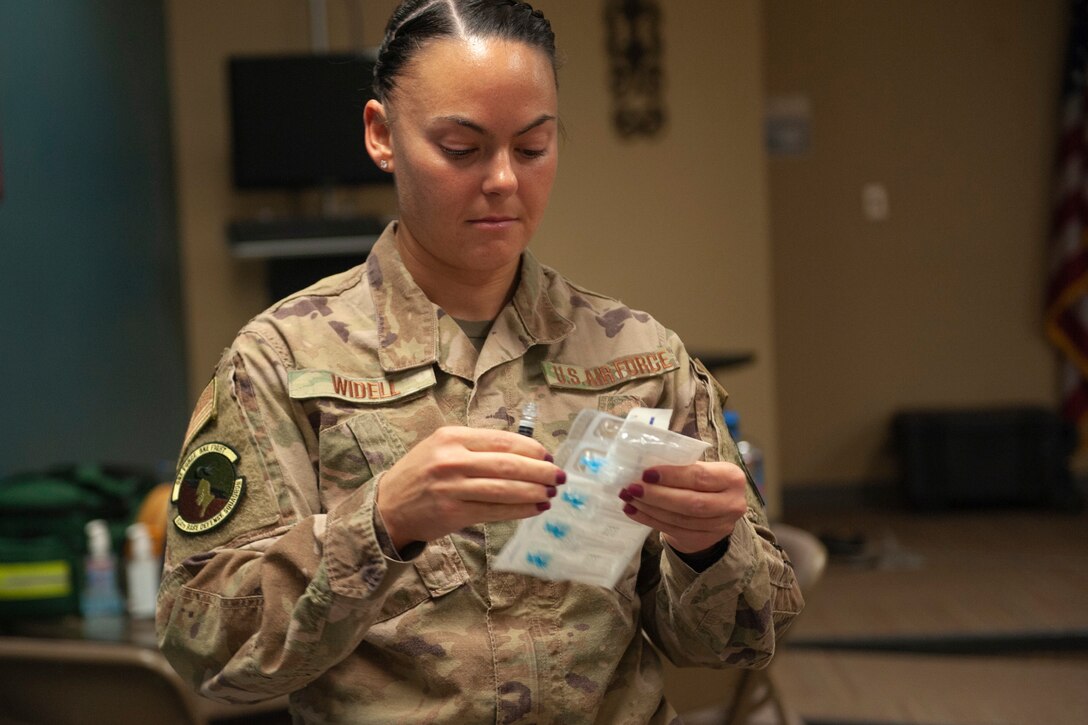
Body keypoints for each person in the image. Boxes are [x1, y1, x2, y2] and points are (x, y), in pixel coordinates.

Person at [156, 1, 804, 722]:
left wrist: (710, 548)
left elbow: (742, 643)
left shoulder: (638, 355)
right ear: (381, 135)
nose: (502, 180)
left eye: (532, 148)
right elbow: (206, 649)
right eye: (462, 149)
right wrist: (381, 523)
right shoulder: (283, 360)